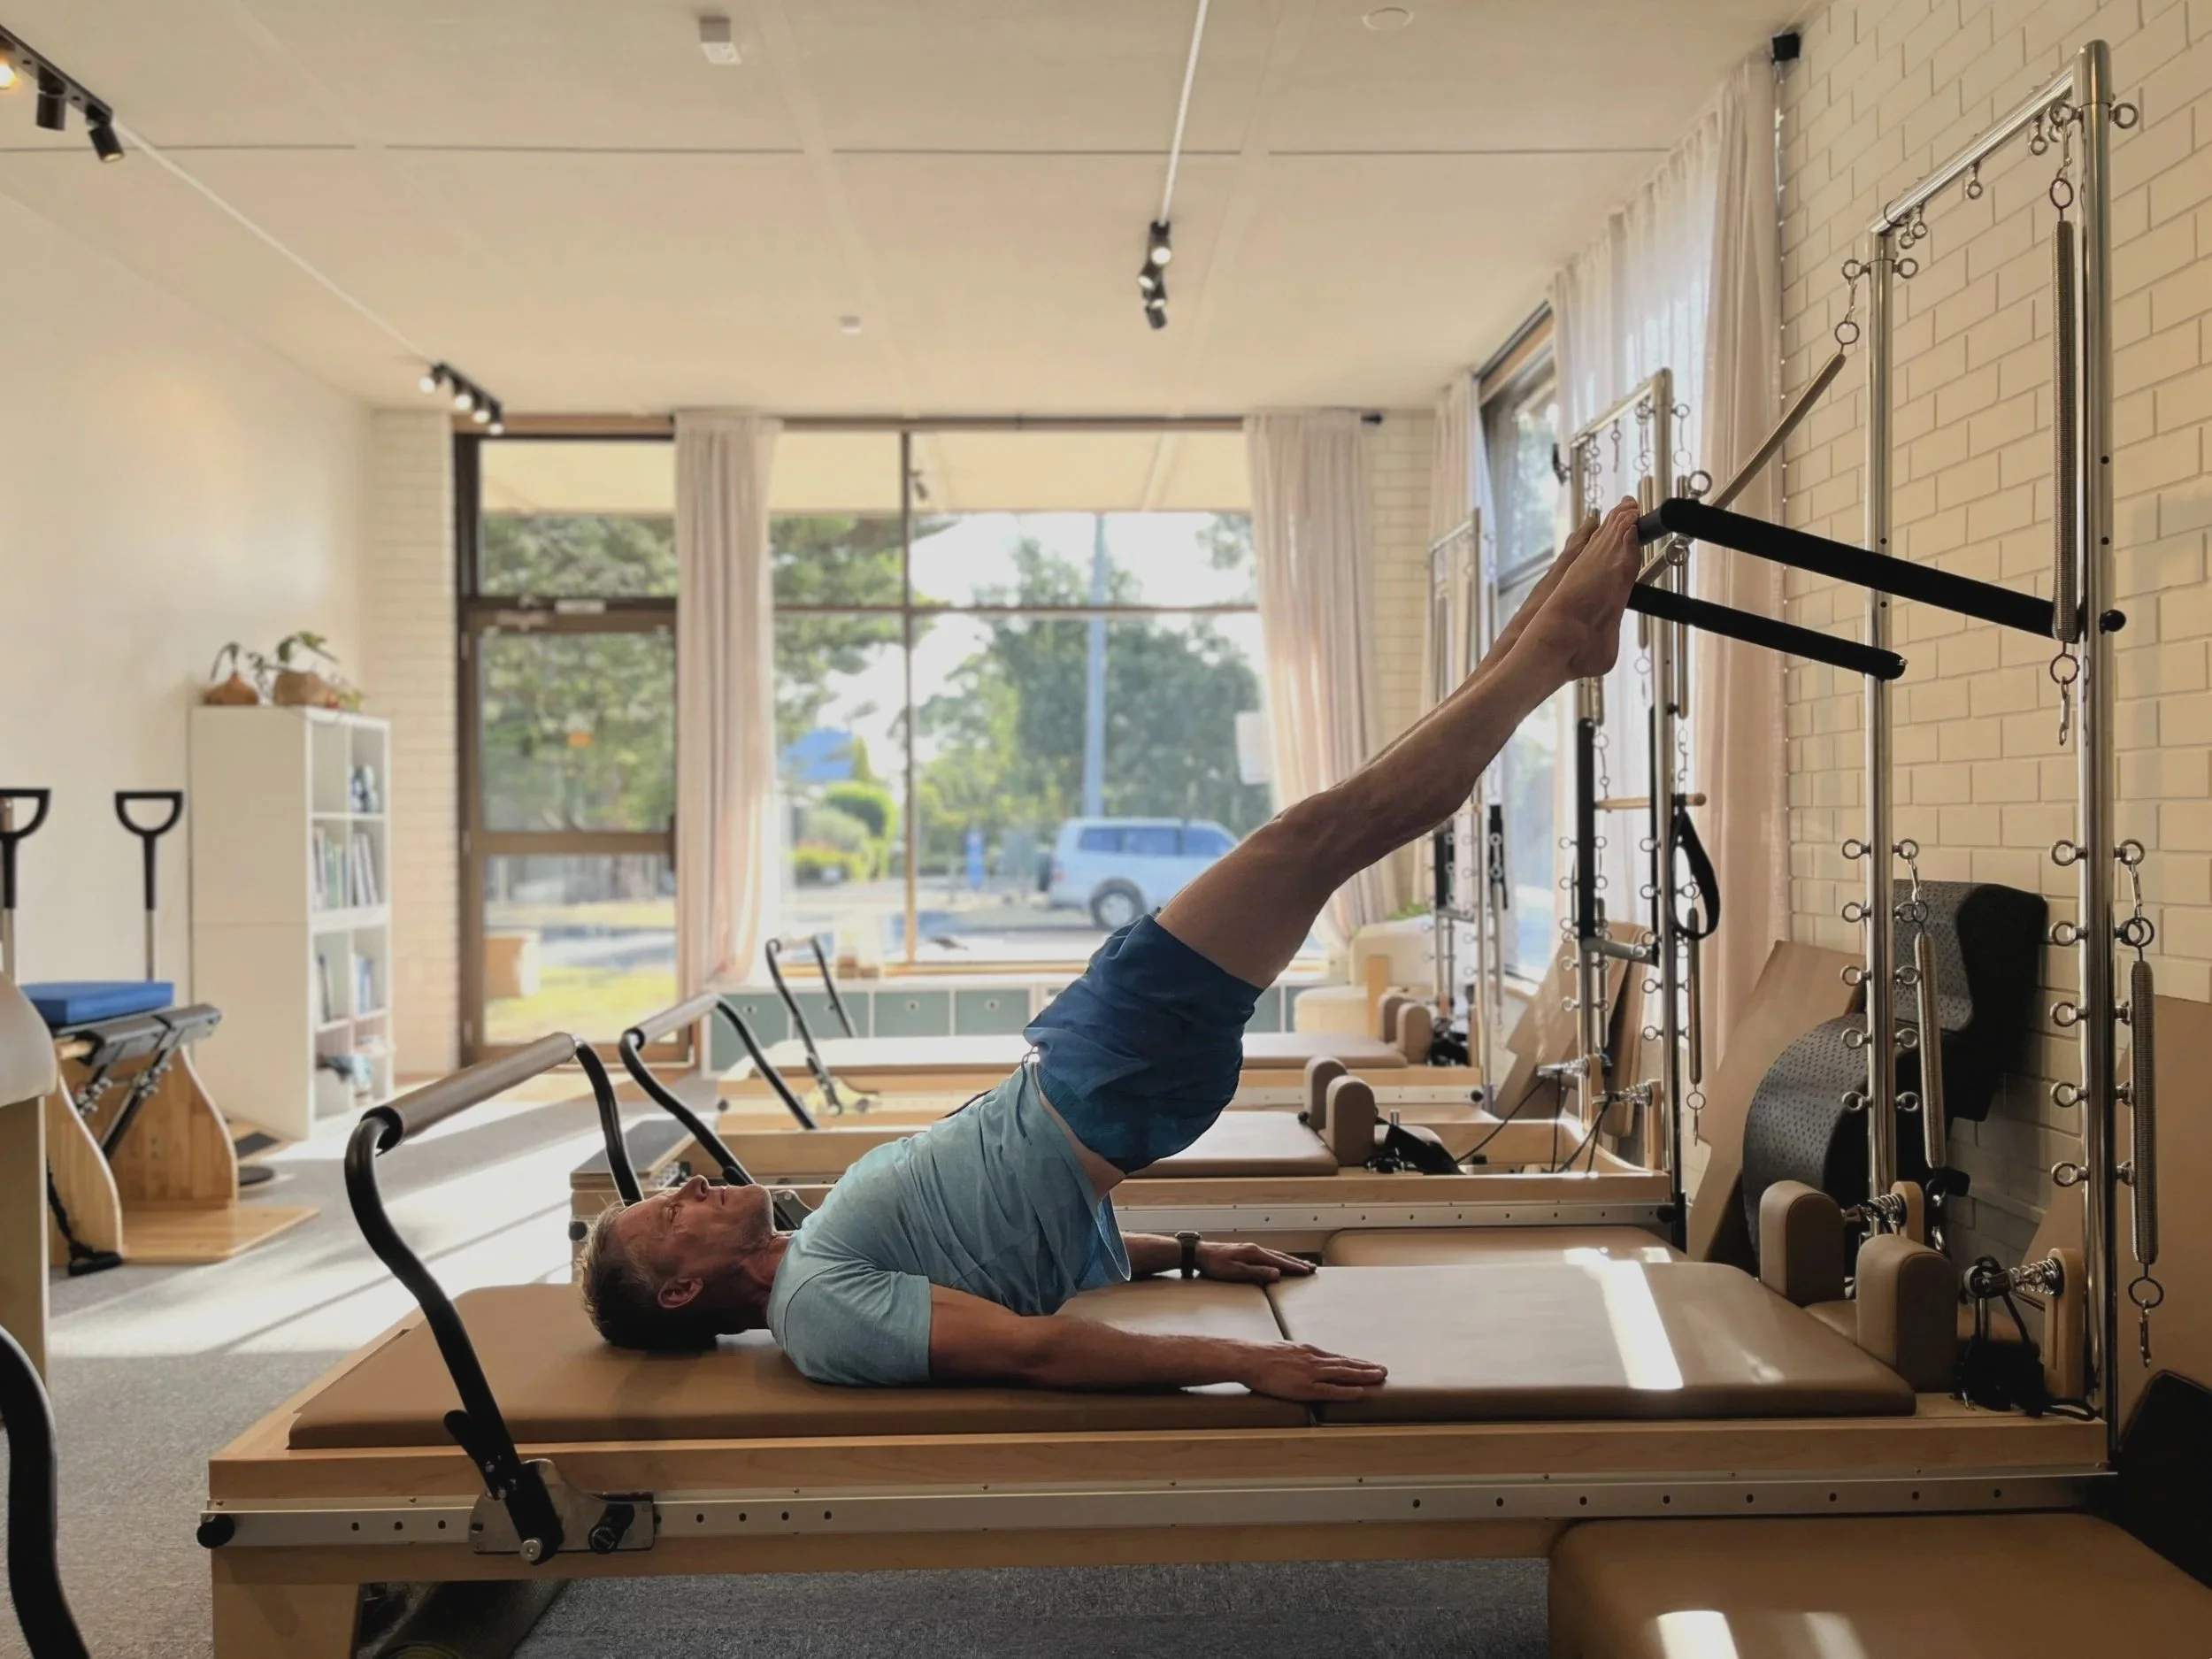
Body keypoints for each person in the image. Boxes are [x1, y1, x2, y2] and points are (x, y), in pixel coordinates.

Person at [580, 499, 1645, 1401]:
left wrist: (1189, 1256)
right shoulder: (817, 1311)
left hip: (1091, 1076)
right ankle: (1552, 647)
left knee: (1330, 827)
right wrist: (1242, 1363)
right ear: (681, 1290)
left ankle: (1542, 641)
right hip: (1104, 1079)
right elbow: (1032, 1345)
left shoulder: (811, 1247)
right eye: (664, 1217)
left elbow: (1019, 1258)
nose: (686, 1190)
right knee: (1318, 833)